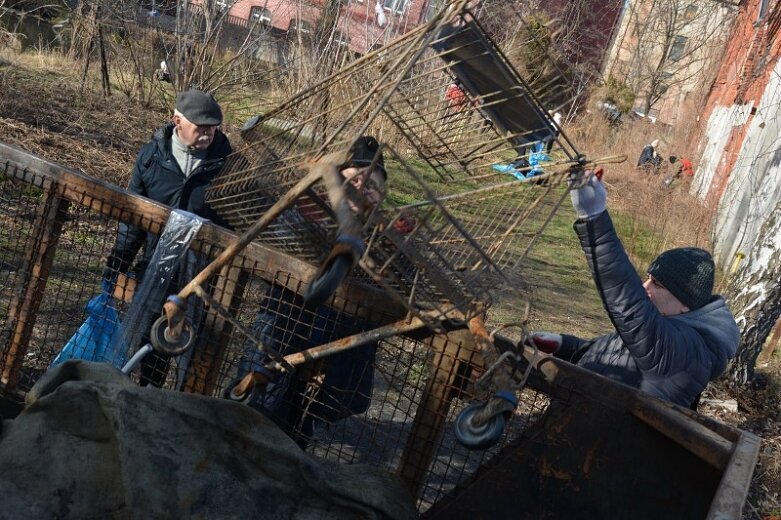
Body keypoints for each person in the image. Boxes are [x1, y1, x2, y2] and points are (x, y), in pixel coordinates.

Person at [526, 170, 739, 409]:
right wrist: (565, 345)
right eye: (648, 279)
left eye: (657, 284)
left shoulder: (687, 353)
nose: (644, 288)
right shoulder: (664, 331)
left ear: (685, 304)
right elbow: (618, 356)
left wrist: (595, 219)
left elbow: (628, 304)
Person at [236, 136, 388, 448]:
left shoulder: (383, 238)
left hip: (337, 347)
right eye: (357, 178)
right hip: (285, 323)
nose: (364, 188)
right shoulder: (308, 211)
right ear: (338, 178)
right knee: (259, 411)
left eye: (373, 185)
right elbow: (275, 253)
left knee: (300, 432)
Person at [104, 89, 233, 386]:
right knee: (147, 338)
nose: (207, 135)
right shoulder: (152, 158)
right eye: (201, 128)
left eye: (212, 129)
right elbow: (133, 219)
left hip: (200, 277)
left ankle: (177, 402)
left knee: (196, 351)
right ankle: (138, 392)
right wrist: (117, 262)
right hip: (154, 266)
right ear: (177, 121)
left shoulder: (227, 167)